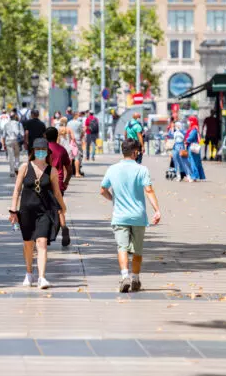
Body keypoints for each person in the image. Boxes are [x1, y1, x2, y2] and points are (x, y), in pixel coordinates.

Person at [100, 138, 162, 293]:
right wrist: (157, 210)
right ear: (135, 152)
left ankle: (124, 276)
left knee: (122, 247)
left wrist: (113, 199)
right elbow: (149, 191)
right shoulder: (142, 170)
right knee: (138, 250)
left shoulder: (112, 169)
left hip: (120, 216)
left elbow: (102, 190)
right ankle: (135, 278)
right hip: (138, 217)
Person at [8, 138, 67, 290]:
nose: (41, 153)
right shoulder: (25, 167)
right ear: (33, 151)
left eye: (44, 150)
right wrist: (13, 210)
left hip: (44, 212)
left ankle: (41, 277)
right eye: (38, 150)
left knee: (42, 242)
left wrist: (63, 208)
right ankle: (29, 273)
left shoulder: (52, 170)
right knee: (28, 244)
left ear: (47, 152)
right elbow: (17, 190)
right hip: (26, 212)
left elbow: (57, 192)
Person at [45, 127, 72, 247]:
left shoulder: (43, 149)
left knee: (45, 208)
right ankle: (64, 226)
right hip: (59, 182)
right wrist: (65, 182)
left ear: (45, 136)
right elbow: (70, 170)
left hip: (45, 182)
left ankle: (45, 234)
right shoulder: (62, 150)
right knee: (59, 208)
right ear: (57, 137)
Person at [2, 111, 24, 177]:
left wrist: (3, 145)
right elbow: (22, 134)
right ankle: (16, 166)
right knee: (17, 155)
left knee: (10, 156)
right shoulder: (19, 124)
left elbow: (3, 136)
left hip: (8, 141)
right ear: (15, 117)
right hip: (16, 141)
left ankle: (11, 171)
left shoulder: (6, 124)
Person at [68, 111, 85, 177]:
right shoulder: (79, 123)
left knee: (70, 157)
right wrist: (81, 138)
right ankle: (77, 172)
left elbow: (68, 131)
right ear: (76, 115)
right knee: (78, 156)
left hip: (70, 141)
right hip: (77, 140)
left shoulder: (69, 123)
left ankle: (69, 172)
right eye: (78, 115)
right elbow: (82, 132)